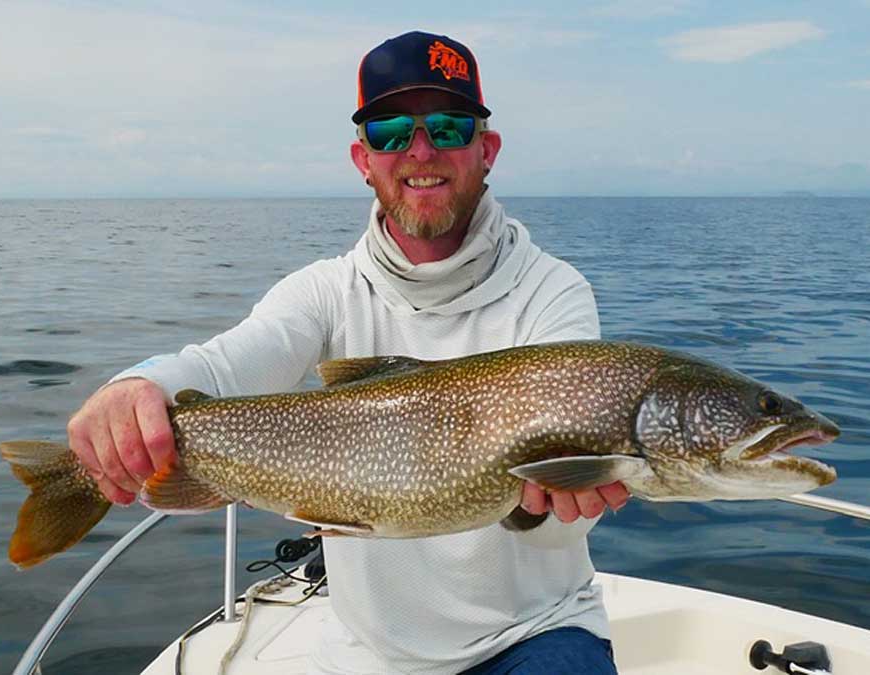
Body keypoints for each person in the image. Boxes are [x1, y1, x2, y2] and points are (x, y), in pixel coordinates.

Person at [67, 31, 628, 675]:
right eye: (391, 131)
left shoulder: (552, 291)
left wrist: (562, 507)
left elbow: (560, 520)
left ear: (486, 150)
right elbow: (225, 364)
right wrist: (135, 385)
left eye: (448, 127)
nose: (421, 150)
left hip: (535, 633)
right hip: (369, 651)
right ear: (363, 159)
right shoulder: (325, 291)